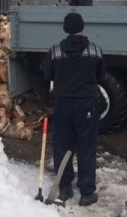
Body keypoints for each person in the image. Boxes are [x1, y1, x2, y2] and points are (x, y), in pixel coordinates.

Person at [43, 12, 104, 206]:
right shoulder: (95, 50)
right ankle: (87, 193)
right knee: (87, 147)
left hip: (63, 105)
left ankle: (65, 187)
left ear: (65, 29)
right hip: (87, 105)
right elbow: (100, 77)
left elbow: (47, 75)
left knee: (62, 146)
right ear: (82, 27)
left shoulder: (54, 51)